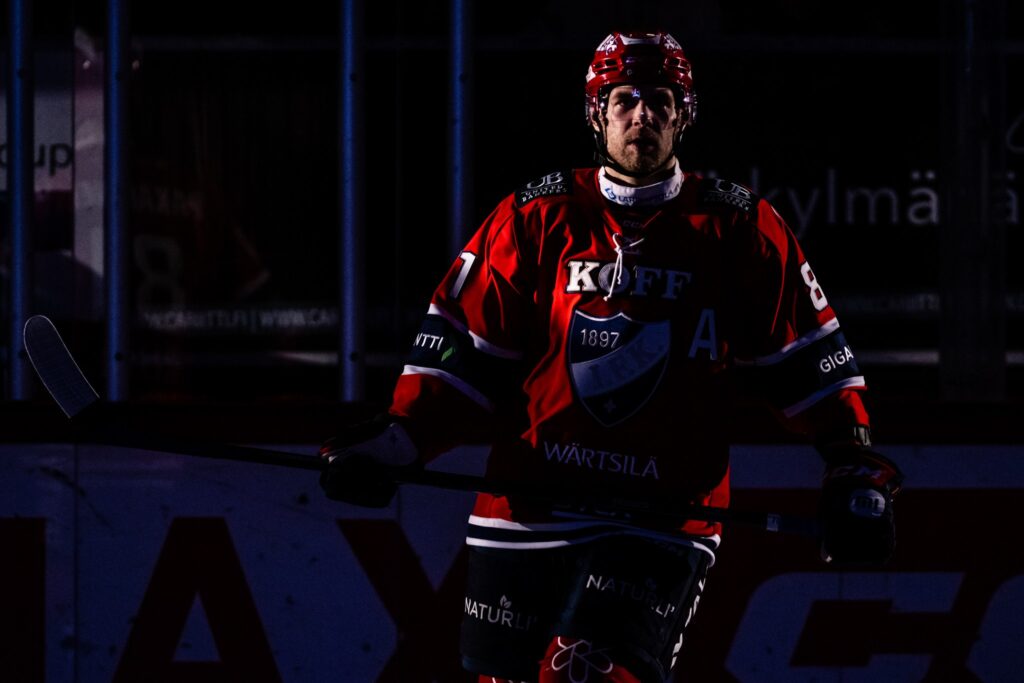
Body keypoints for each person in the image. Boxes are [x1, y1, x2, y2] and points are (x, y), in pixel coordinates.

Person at [319, 30, 903, 683]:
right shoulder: (535, 215)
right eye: (624, 99)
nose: (642, 115)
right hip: (527, 510)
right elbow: (464, 356)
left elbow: (808, 361)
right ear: (596, 113)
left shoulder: (739, 227)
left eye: (660, 100)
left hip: (660, 519)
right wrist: (398, 442)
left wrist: (851, 463)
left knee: (586, 675)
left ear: (684, 114)